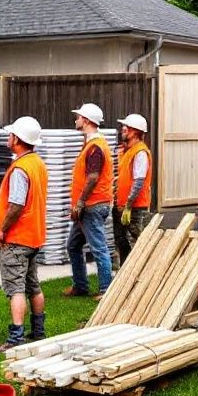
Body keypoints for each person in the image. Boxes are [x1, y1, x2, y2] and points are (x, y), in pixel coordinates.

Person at [0, 116, 48, 353]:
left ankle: (15, 338)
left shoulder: (20, 169)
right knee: (33, 285)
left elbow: (16, 204)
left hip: (17, 238)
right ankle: (39, 332)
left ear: (18, 140)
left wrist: (2, 229)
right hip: (34, 237)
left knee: (16, 288)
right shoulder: (37, 164)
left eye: (11, 134)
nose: (8, 137)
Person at [64, 103, 115, 298]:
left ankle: (105, 289)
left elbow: (92, 177)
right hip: (89, 206)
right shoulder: (92, 145)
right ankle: (80, 286)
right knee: (73, 245)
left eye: (78, 117)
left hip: (91, 206)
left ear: (86, 120)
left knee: (98, 247)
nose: (76, 119)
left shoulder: (95, 147)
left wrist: (80, 203)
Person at [113, 113, 153, 265]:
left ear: (135, 132)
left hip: (135, 207)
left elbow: (138, 181)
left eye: (126, 127)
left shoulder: (140, 153)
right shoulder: (127, 151)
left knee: (140, 240)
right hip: (122, 205)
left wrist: (128, 205)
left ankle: (145, 268)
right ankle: (126, 269)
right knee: (120, 239)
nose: (123, 129)